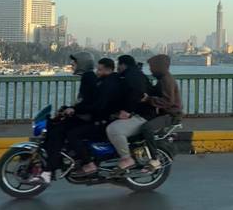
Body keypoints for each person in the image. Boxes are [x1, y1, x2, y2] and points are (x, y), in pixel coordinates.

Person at [39, 51, 97, 184]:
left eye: (75, 62)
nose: (72, 64)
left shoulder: (89, 78)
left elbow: (89, 102)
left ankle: (86, 163)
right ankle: (53, 166)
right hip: (84, 115)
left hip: (88, 118)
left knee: (60, 132)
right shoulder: (87, 77)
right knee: (56, 126)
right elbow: (83, 102)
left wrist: (73, 109)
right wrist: (67, 108)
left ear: (82, 63)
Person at [66, 58, 122, 174]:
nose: (97, 72)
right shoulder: (107, 81)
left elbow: (98, 106)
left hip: (103, 122)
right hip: (103, 119)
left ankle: (89, 164)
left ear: (108, 70)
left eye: (100, 70)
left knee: (73, 134)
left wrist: (76, 110)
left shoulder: (108, 84)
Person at [105, 54, 154, 169]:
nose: (117, 68)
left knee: (114, 129)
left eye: (118, 65)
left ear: (123, 64)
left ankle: (126, 158)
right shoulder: (131, 74)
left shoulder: (132, 75)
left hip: (142, 115)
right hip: (139, 113)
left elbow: (136, 93)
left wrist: (127, 111)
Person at [139, 54, 183, 168]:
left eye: (152, 67)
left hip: (171, 115)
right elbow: (155, 91)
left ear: (159, 67)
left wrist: (149, 99)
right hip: (165, 113)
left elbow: (168, 101)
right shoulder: (163, 79)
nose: (150, 69)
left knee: (146, 128)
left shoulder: (167, 80)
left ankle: (155, 159)